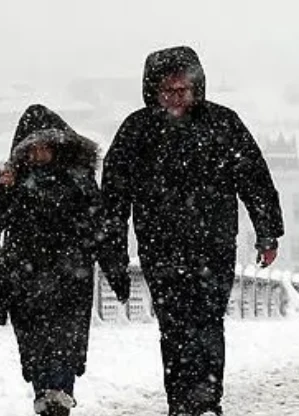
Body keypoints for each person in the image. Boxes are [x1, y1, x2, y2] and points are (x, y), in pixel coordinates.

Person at [102, 46, 284, 416]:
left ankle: (205, 400)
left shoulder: (223, 123)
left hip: (213, 244)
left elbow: (254, 180)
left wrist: (268, 233)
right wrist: (114, 255)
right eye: (167, 91)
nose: (175, 99)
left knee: (207, 321)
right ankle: (182, 402)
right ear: (153, 91)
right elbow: (113, 199)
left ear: (196, 88)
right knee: (174, 325)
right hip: (160, 246)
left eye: (182, 90)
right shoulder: (136, 131)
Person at [0, 104, 130, 416]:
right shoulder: (15, 182)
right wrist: (0, 190)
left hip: (70, 277)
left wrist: (116, 271)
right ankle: (46, 395)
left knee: (66, 342)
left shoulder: (79, 181)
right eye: (32, 148)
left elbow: (102, 229)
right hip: (26, 277)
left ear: (59, 146)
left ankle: (58, 395)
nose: (38, 154)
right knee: (34, 344)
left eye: (44, 146)